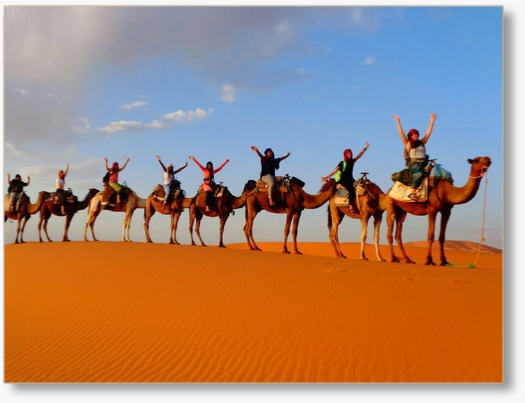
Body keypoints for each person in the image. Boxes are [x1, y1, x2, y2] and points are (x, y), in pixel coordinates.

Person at [392, 113, 437, 200]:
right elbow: (401, 133)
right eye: (413, 134)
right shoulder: (408, 143)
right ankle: (412, 192)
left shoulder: (422, 143)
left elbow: (428, 133)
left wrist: (432, 120)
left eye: (416, 134)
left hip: (424, 163)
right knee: (419, 173)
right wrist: (397, 121)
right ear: (410, 136)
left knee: (438, 173)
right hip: (414, 165)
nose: (416, 135)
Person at [321, 143, 369, 214]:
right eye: (348, 154)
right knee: (350, 190)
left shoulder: (352, 161)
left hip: (351, 179)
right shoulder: (342, 163)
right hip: (344, 180)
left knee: (361, 186)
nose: (349, 155)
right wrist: (327, 176)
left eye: (350, 153)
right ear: (345, 155)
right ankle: (351, 206)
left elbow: (359, 155)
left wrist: (365, 148)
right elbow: (335, 170)